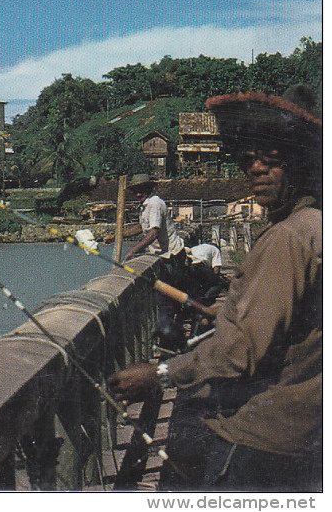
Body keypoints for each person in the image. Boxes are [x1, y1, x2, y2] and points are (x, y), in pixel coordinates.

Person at [108, 86, 322, 491]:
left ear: (302, 164)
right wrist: (225, 314)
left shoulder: (287, 239)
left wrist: (160, 374)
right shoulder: (315, 226)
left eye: (272, 160)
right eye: (248, 160)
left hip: (261, 441)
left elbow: (240, 351)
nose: (256, 169)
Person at [123, 174, 188, 350]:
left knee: (165, 302)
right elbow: (142, 228)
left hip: (171, 259)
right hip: (164, 258)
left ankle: (168, 345)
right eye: (135, 191)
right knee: (166, 302)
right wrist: (118, 234)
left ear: (149, 189)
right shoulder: (145, 206)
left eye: (141, 191)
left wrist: (132, 251)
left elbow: (153, 233)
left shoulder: (154, 203)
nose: (138, 194)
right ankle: (169, 341)